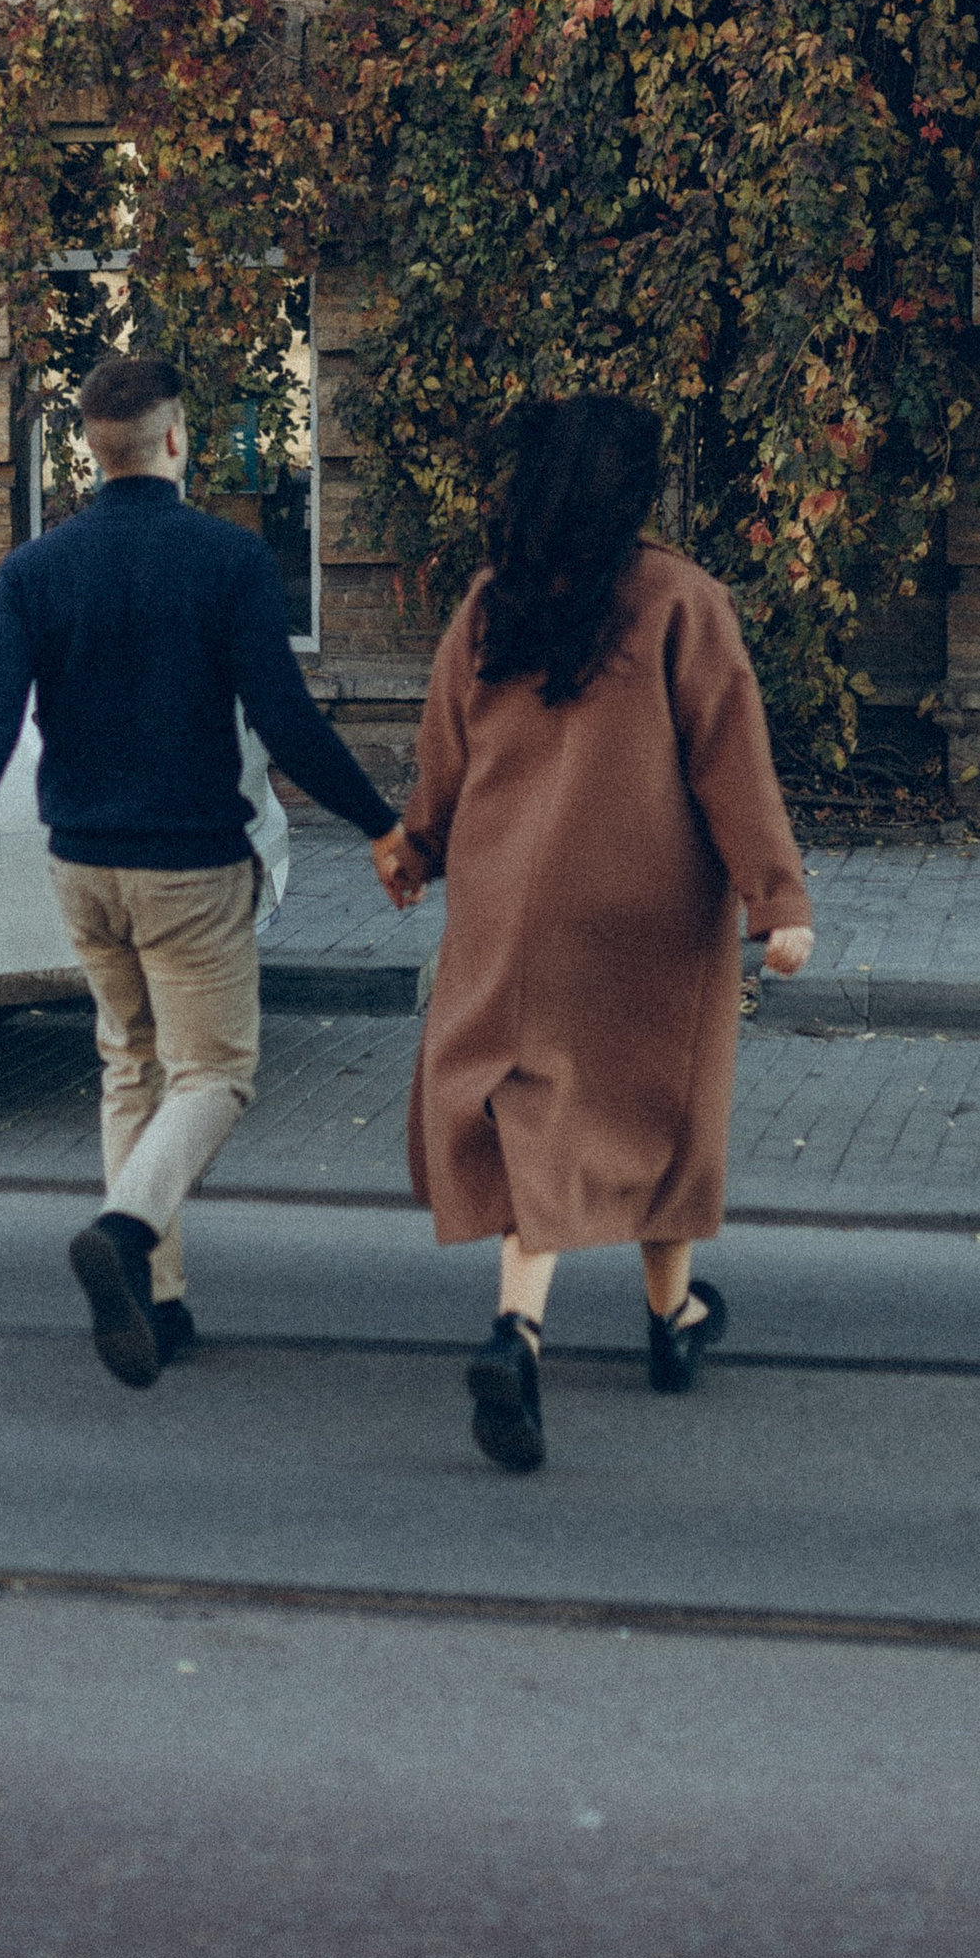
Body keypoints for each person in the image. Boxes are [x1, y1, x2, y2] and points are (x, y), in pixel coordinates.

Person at [0, 353, 405, 1389]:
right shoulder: (226, 562)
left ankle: (161, 1301)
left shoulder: (33, 572)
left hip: (82, 866)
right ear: (177, 441)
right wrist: (382, 825)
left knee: (129, 1065)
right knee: (215, 1075)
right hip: (189, 867)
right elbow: (286, 723)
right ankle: (125, 1226)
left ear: (89, 454)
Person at [373, 395, 814, 1474]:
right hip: (648, 905)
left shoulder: (493, 601)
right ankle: (629, 1325)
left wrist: (417, 846)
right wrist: (778, 901)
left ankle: (567, 1325)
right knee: (662, 1108)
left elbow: (446, 743)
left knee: (536, 1106)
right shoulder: (681, 597)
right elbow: (729, 758)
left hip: (506, 898)